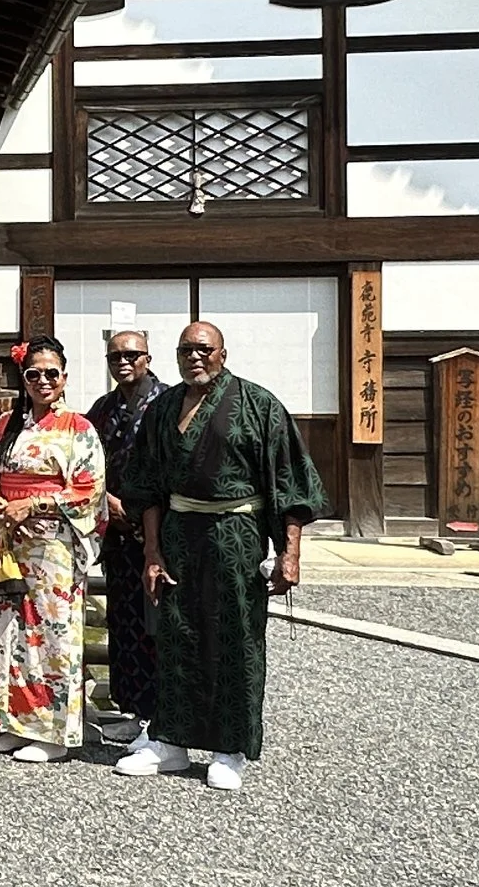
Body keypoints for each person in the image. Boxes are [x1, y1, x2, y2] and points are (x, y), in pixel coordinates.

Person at [118, 321, 328, 793]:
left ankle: (229, 747)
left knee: (235, 638)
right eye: (185, 349)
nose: (195, 357)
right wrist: (152, 551)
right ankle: (170, 740)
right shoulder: (164, 408)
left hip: (237, 535)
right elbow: (146, 485)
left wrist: (289, 554)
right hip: (177, 535)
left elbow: (291, 485)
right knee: (175, 637)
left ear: (223, 353)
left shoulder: (258, 405)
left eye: (203, 349)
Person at [0, 338, 108, 764]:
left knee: (50, 633)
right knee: (4, 631)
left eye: (52, 373)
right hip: (7, 539)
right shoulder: (5, 425)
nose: (43, 381)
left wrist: (32, 503)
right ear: (23, 379)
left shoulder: (79, 429)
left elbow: (88, 487)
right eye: (34, 374)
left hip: (53, 544)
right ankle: (10, 723)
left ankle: (52, 731)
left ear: (64, 378)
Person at [86, 329, 167, 742]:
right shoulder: (103, 408)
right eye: (115, 355)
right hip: (115, 533)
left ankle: (162, 717)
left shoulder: (169, 403)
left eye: (131, 354)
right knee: (124, 622)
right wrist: (105, 502)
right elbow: (86, 464)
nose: (123, 361)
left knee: (158, 625)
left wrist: (136, 511)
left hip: (160, 535)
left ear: (147, 358)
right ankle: (134, 711)